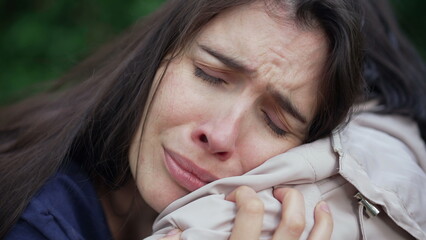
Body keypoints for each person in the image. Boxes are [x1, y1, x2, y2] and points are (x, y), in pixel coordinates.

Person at [0, 0, 423, 239]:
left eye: (276, 122)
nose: (219, 134)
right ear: (158, 58)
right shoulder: (35, 224)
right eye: (209, 75)